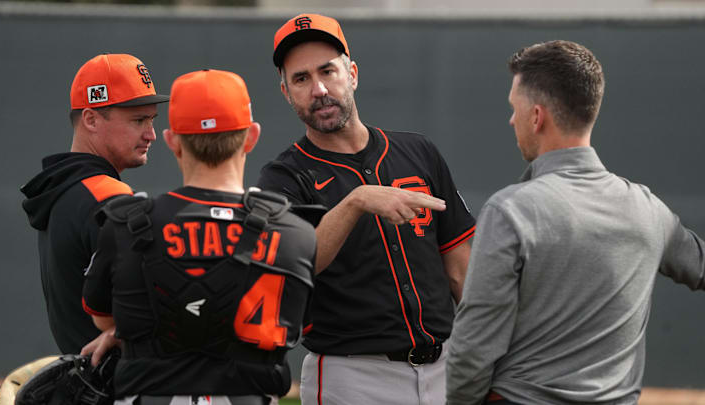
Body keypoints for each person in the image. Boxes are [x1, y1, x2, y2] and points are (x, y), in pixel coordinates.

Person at [446, 40, 705, 405]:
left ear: (537, 117)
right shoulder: (648, 209)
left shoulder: (510, 210)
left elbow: (475, 345)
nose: (511, 119)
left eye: (513, 108)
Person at [258, 13, 477, 405]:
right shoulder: (284, 177)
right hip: (353, 375)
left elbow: (461, 268)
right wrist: (357, 201)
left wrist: (490, 349)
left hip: (448, 365)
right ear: (286, 92)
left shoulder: (418, 152)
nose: (319, 89)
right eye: (301, 79)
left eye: (328, 71)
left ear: (352, 73)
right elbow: (298, 268)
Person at [81, 69, 318, 405]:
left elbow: (102, 316)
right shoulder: (296, 234)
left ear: (172, 141)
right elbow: (297, 327)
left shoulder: (125, 225)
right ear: (251, 136)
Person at [21, 53, 169, 355]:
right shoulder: (107, 198)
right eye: (138, 120)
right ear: (90, 119)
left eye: (152, 120)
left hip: (86, 382)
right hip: (120, 387)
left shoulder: (63, 189)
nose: (151, 134)